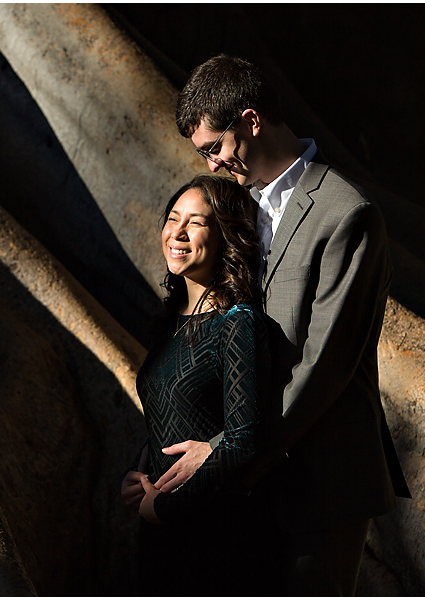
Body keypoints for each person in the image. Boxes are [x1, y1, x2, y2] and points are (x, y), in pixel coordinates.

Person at [159, 54, 410, 595]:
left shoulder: (347, 214)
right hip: (251, 482)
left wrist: (227, 448)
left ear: (251, 121)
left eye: (214, 148)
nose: (212, 163)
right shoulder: (236, 210)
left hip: (322, 477)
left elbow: (324, 365)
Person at [120, 173, 278, 596]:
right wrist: (138, 471)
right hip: (159, 529)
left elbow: (243, 441)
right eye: (173, 218)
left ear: (225, 235)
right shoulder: (167, 324)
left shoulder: (237, 322)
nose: (178, 232)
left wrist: (166, 507)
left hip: (215, 535)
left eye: (197, 222)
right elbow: (169, 414)